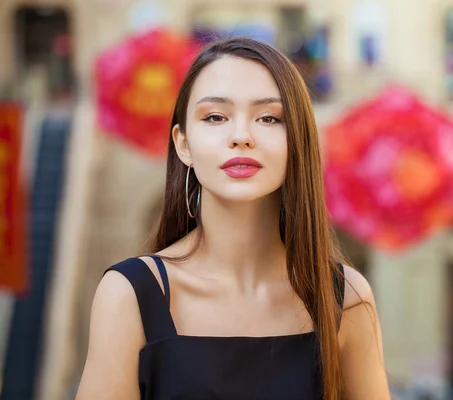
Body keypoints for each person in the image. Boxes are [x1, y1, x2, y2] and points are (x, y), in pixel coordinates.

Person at [76, 37, 390, 400]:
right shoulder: (131, 294)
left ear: (298, 141)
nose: (241, 136)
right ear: (183, 144)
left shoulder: (345, 297)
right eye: (215, 117)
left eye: (269, 117)